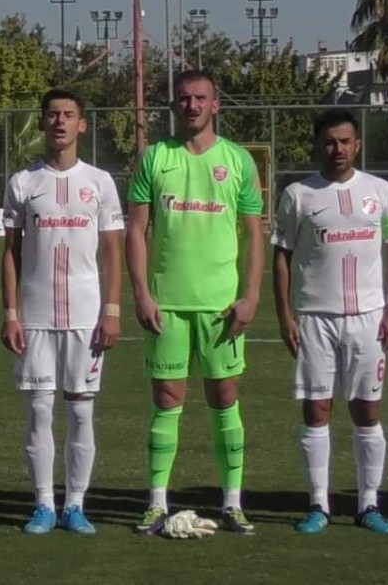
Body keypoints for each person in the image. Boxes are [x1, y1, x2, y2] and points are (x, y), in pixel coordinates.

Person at [126, 69, 265, 535]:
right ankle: (156, 502)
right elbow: (136, 231)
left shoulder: (239, 161)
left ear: (215, 105)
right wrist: (142, 293)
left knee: (225, 398)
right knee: (167, 400)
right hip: (167, 304)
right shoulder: (154, 158)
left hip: (221, 306)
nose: (192, 105)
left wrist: (250, 296)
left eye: (200, 98)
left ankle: (232, 502)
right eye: (184, 98)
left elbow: (254, 235)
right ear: (174, 105)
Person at [272, 109, 388, 535]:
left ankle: (368, 504)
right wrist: (285, 314)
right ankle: (318, 505)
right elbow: (281, 256)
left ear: (357, 144)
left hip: (368, 318)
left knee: (367, 409)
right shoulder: (298, 194)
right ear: (318, 146)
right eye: (330, 142)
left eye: (345, 141)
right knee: (317, 409)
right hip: (315, 318)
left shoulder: (381, 192)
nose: (338, 149)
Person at [0, 89, 124, 535]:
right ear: (43, 122)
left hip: (86, 316)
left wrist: (112, 310)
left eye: (68, 115)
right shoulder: (22, 182)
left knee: (81, 412)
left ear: (82, 125)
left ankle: (75, 505)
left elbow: (113, 251)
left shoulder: (100, 182)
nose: (60, 121)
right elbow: (10, 253)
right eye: (52, 114)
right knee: (38, 410)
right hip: (35, 315)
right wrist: (10, 313)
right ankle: (43, 505)